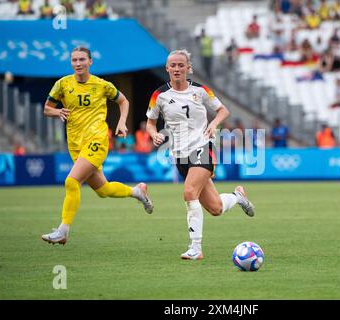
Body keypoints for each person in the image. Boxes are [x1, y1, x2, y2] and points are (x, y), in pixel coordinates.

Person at [146, 49, 255, 260]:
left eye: (181, 65)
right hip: (179, 155)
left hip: (203, 147)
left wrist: (213, 124)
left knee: (189, 192)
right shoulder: (159, 95)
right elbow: (151, 123)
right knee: (216, 208)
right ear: (167, 68)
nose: (177, 69)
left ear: (189, 68)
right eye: (173, 65)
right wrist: (153, 135)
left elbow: (223, 110)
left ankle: (195, 248)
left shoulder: (201, 90)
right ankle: (238, 197)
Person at [41, 47, 153, 245]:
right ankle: (137, 192)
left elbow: (123, 101)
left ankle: (63, 230)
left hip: (97, 140)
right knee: (104, 190)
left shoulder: (101, 85)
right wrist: (57, 112)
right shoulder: (63, 84)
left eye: (82, 59)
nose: (78, 63)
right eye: (74, 60)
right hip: (75, 144)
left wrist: (122, 122)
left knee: (71, 182)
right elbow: (47, 109)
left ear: (90, 62)